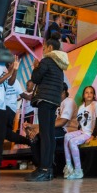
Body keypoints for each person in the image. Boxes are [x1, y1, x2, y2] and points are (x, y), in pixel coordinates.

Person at [24, 38, 69, 182]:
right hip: (54, 101)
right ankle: (48, 169)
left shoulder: (47, 61)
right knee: (49, 134)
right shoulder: (60, 65)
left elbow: (35, 78)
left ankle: (43, 169)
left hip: (44, 100)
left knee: (45, 135)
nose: (43, 50)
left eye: (44, 48)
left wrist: (36, 67)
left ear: (50, 48)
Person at [63, 85, 97, 180]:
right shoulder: (81, 107)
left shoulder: (96, 105)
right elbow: (80, 123)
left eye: (91, 92)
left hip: (88, 133)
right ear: (83, 95)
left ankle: (78, 170)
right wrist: (77, 132)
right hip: (82, 132)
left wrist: (93, 136)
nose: (89, 94)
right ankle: (69, 166)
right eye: (87, 92)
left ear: (94, 95)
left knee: (72, 142)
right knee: (66, 136)